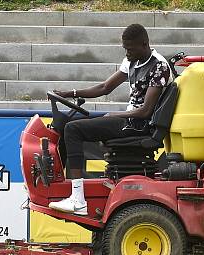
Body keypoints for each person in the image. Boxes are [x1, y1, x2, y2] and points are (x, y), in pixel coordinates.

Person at [49, 24, 173, 215]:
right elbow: (104, 88)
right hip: (130, 120)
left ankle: (78, 199)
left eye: (130, 49)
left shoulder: (159, 66)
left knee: (73, 130)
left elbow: (146, 111)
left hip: (139, 125)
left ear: (144, 44)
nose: (127, 53)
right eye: (125, 49)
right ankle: (64, 185)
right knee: (68, 125)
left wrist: (116, 114)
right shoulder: (132, 60)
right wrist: (70, 93)